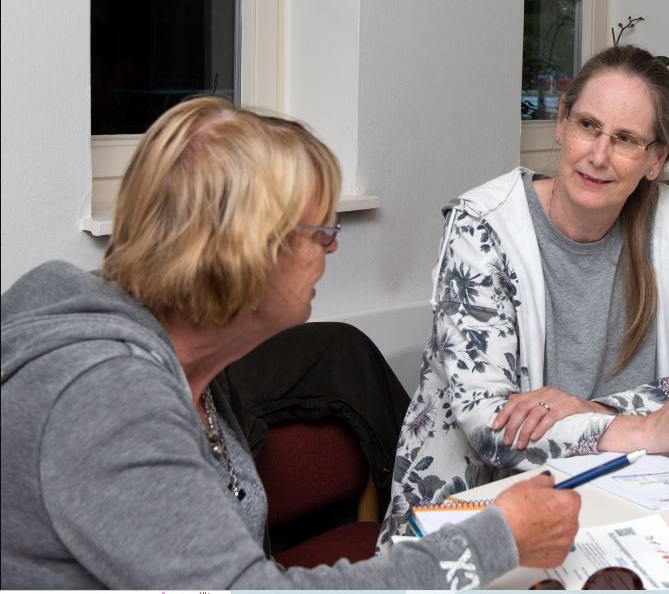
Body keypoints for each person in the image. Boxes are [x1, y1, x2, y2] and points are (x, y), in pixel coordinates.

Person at [0, 96, 580, 589]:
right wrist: (495, 540)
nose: (332, 247)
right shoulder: (107, 398)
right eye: (320, 230)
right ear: (246, 248)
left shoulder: (193, 368)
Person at [380, 45, 669, 547]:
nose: (598, 155)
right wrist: (645, 429)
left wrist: (594, 411)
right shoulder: (483, 227)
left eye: (626, 139)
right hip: (467, 528)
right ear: (560, 124)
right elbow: (488, 423)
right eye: (587, 125)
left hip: (617, 513)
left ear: (655, 160)